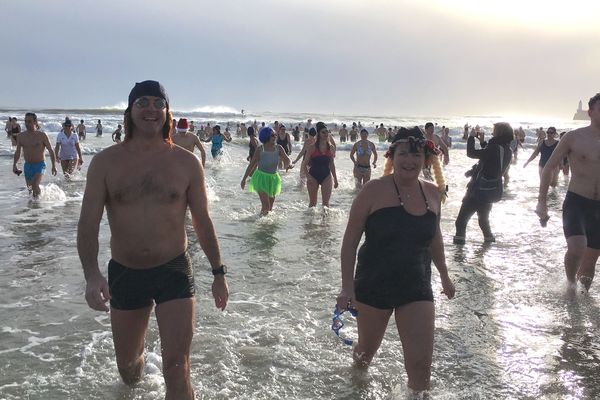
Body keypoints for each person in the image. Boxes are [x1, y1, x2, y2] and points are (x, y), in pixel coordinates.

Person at [77, 80, 228, 400]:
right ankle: (140, 373)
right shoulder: (105, 163)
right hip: (126, 272)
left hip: (173, 270)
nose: (150, 109)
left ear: (167, 112)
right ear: (130, 111)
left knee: (178, 366)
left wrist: (218, 273)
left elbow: (202, 222)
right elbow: (88, 223)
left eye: (158, 103)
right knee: (128, 368)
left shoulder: (187, 163)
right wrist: (92, 275)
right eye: (142, 102)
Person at [336, 126, 454, 393]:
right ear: (392, 156)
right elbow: (350, 241)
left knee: (422, 370)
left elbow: (435, 239)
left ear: (426, 158)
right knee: (365, 354)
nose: (409, 161)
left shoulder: (433, 194)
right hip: (374, 283)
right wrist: (347, 287)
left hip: (416, 286)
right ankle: (355, 386)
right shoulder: (373, 192)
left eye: (415, 155)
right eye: (403, 154)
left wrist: (445, 275)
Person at [536, 93, 600, 292]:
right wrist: (542, 202)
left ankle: (582, 298)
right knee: (577, 248)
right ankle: (570, 285)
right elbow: (548, 167)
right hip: (577, 202)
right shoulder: (574, 137)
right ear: (590, 112)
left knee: (591, 261)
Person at [453, 122, 514, 244]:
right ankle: (488, 247)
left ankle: (458, 256)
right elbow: (492, 160)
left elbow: (471, 153)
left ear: (499, 132)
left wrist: (471, 137)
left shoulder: (494, 148)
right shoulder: (507, 149)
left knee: (461, 222)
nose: (492, 131)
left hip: (478, 190)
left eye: (494, 129)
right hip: (490, 191)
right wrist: (482, 142)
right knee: (483, 222)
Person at [240, 126, 291, 215]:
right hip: (261, 178)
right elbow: (251, 165)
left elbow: (287, 159)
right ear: (266, 136)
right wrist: (244, 179)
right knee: (266, 206)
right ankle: (260, 224)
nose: (275, 137)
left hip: (273, 179)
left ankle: (265, 225)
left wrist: (289, 164)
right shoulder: (260, 149)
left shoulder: (279, 148)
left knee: (270, 207)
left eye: (275, 135)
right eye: (272, 135)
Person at [12, 112, 57, 198]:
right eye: (25, 121)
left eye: (29, 121)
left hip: (40, 165)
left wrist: (53, 166)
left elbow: (51, 150)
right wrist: (14, 165)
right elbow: (18, 152)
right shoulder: (21, 136)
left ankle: (39, 205)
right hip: (27, 166)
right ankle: (34, 208)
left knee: (35, 185)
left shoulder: (42, 135)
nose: (27, 124)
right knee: (30, 190)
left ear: (35, 122)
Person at [300, 122, 339, 207]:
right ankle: (310, 220)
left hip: (326, 176)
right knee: (312, 204)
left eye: (327, 132)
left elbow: (332, 164)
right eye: (323, 132)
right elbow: (304, 164)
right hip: (313, 176)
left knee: (326, 205)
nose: (326, 134)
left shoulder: (331, 148)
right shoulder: (312, 147)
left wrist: (335, 179)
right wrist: (308, 176)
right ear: (318, 134)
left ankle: (325, 221)